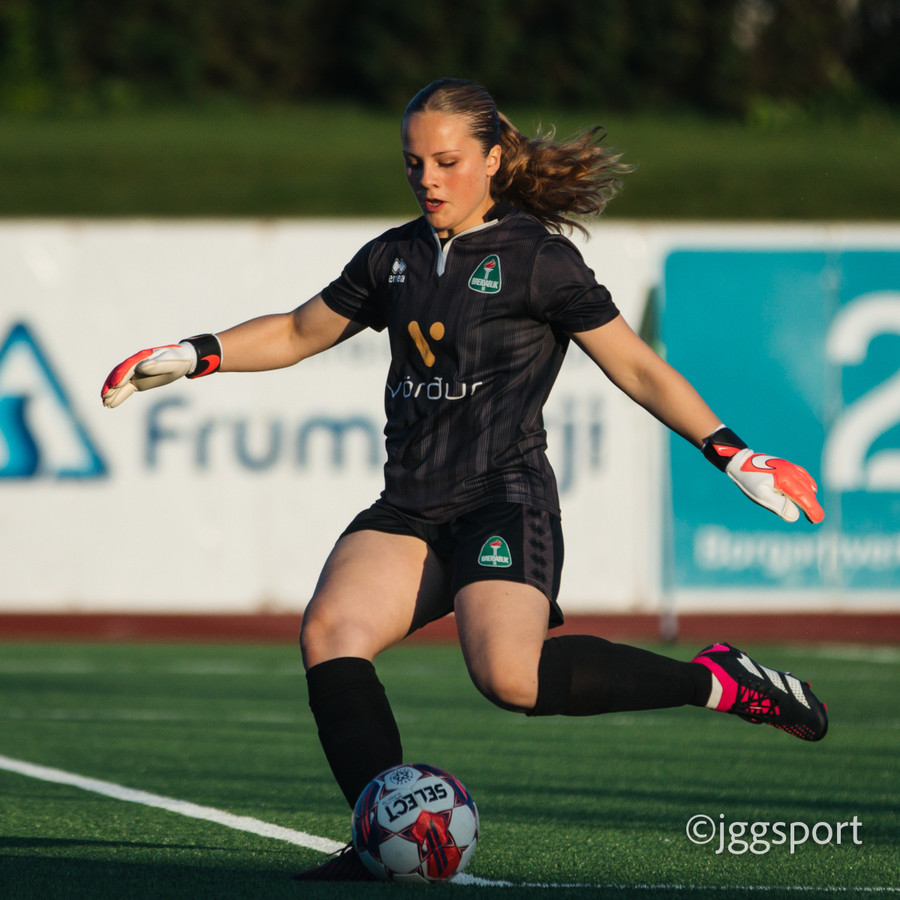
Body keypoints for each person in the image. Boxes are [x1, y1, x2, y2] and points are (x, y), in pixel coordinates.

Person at [101, 78, 828, 881]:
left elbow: (638, 367)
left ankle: (714, 680)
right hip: (411, 506)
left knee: (511, 678)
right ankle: (378, 839)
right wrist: (196, 353)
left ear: (493, 159)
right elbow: (300, 331)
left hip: (502, 501)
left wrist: (733, 453)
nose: (428, 179)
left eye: (446, 161)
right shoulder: (392, 257)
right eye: (413, 163)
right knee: (331, 635)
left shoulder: (539, 261)